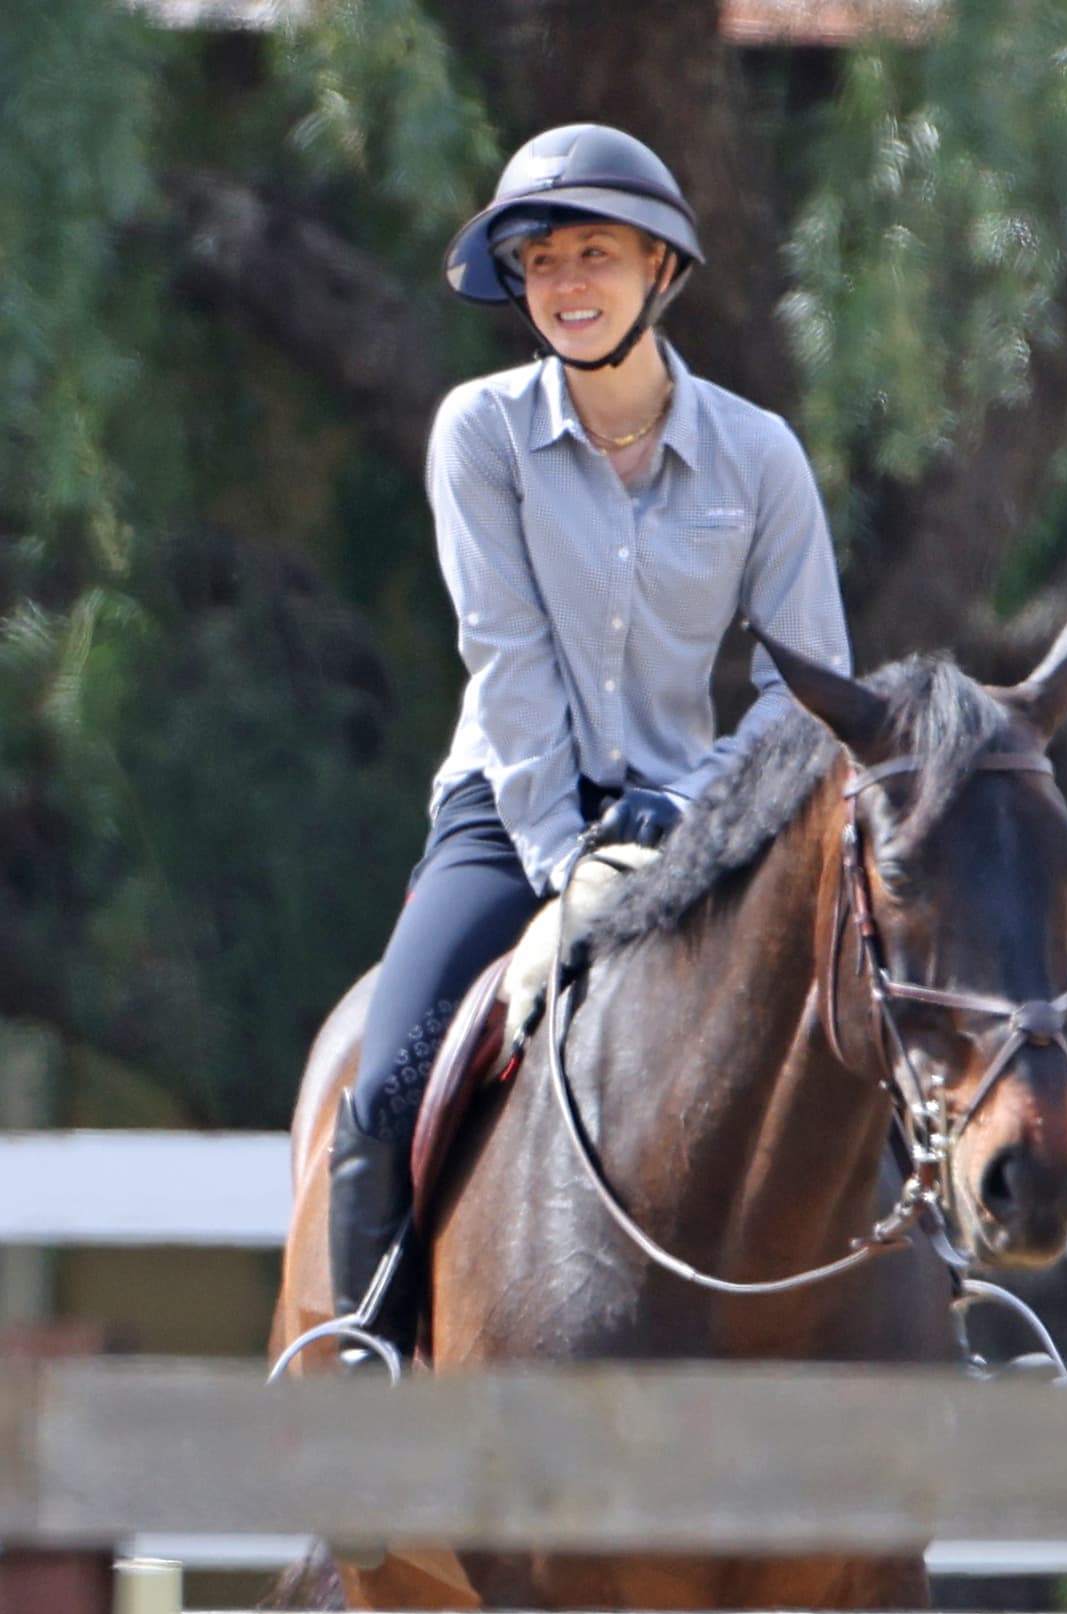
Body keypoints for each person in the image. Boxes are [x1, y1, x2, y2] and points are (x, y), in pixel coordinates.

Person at [328, 122, 854, 1366]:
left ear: (659, 269)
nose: (565, 285)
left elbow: (804, 693)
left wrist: (692, 822)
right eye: (541, 260)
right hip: (509, 818)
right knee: (384, 1088)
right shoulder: (481, 433)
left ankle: (950, 1326)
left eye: (594, 255)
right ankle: (351, 1383)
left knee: (856, 1032)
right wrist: (567, 857)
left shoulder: (760, 455)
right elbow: (503, 660)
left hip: (696, 820)